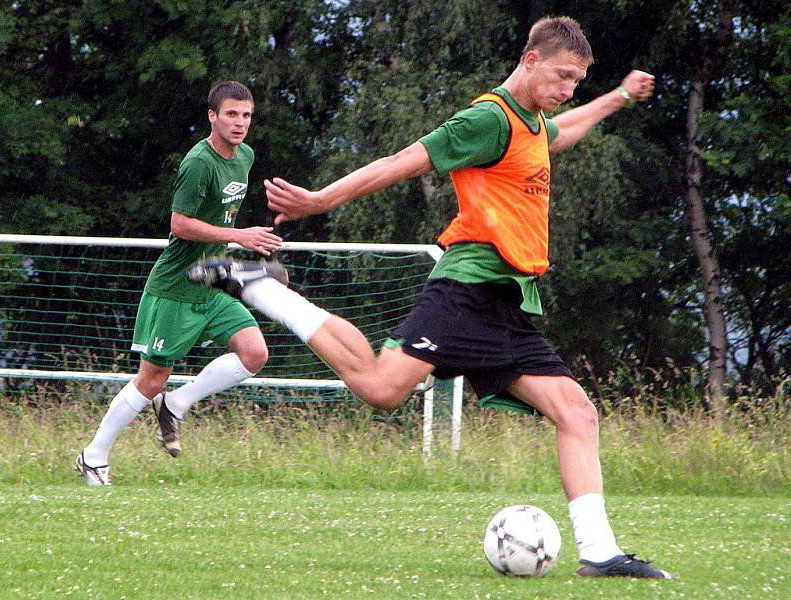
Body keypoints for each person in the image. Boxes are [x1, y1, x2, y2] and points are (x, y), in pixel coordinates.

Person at [190, 18, 672, 579]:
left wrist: (615, 98)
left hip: (508, 301)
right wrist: (321, 200)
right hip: (467, 286)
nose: (568, 90)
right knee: (380, 387)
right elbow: (403, 161)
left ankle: (600, 555)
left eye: (577, 81)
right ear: (532, 59)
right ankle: (260, 286)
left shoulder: (534, 123)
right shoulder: (487, 118)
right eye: (563, 76)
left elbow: (562, 131)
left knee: (576, 412)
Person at [75, 81, 286, 486]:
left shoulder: (245, 157)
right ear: (212, 116)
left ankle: (177, 403)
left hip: (211, 281)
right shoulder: (199, 163)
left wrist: (237, 243)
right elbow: (180, 225)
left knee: (254, 353)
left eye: (246, 115)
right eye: (231, 114)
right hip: (175, 287)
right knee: (150, 378)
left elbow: (219, 223)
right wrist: (241, 236)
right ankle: (94, 455)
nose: (240, 123)